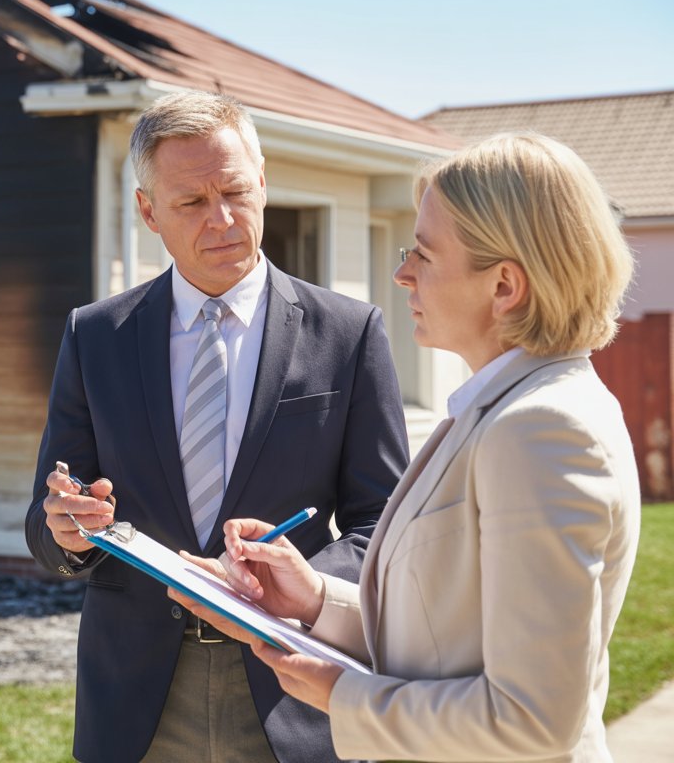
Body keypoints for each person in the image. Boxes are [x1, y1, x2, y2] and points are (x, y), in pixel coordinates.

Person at [173, 131, 640, 762]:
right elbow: (448, 637)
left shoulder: (540, 430)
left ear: (504, 287)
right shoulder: (498, 410)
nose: (401, 274)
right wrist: (312, 599)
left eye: (423, 254)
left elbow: (533, 718)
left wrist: (345, 695)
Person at [25, 90, 410, 763]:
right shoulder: (95, 336)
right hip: (138, 702)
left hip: (294, 689)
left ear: (262, 183)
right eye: (192, 203)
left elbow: (382, 526)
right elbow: (48, 521)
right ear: (148, 211)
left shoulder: (349, 335)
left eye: (235, 191)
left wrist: (291, 585)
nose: (223, 220)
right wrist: (66, 528)